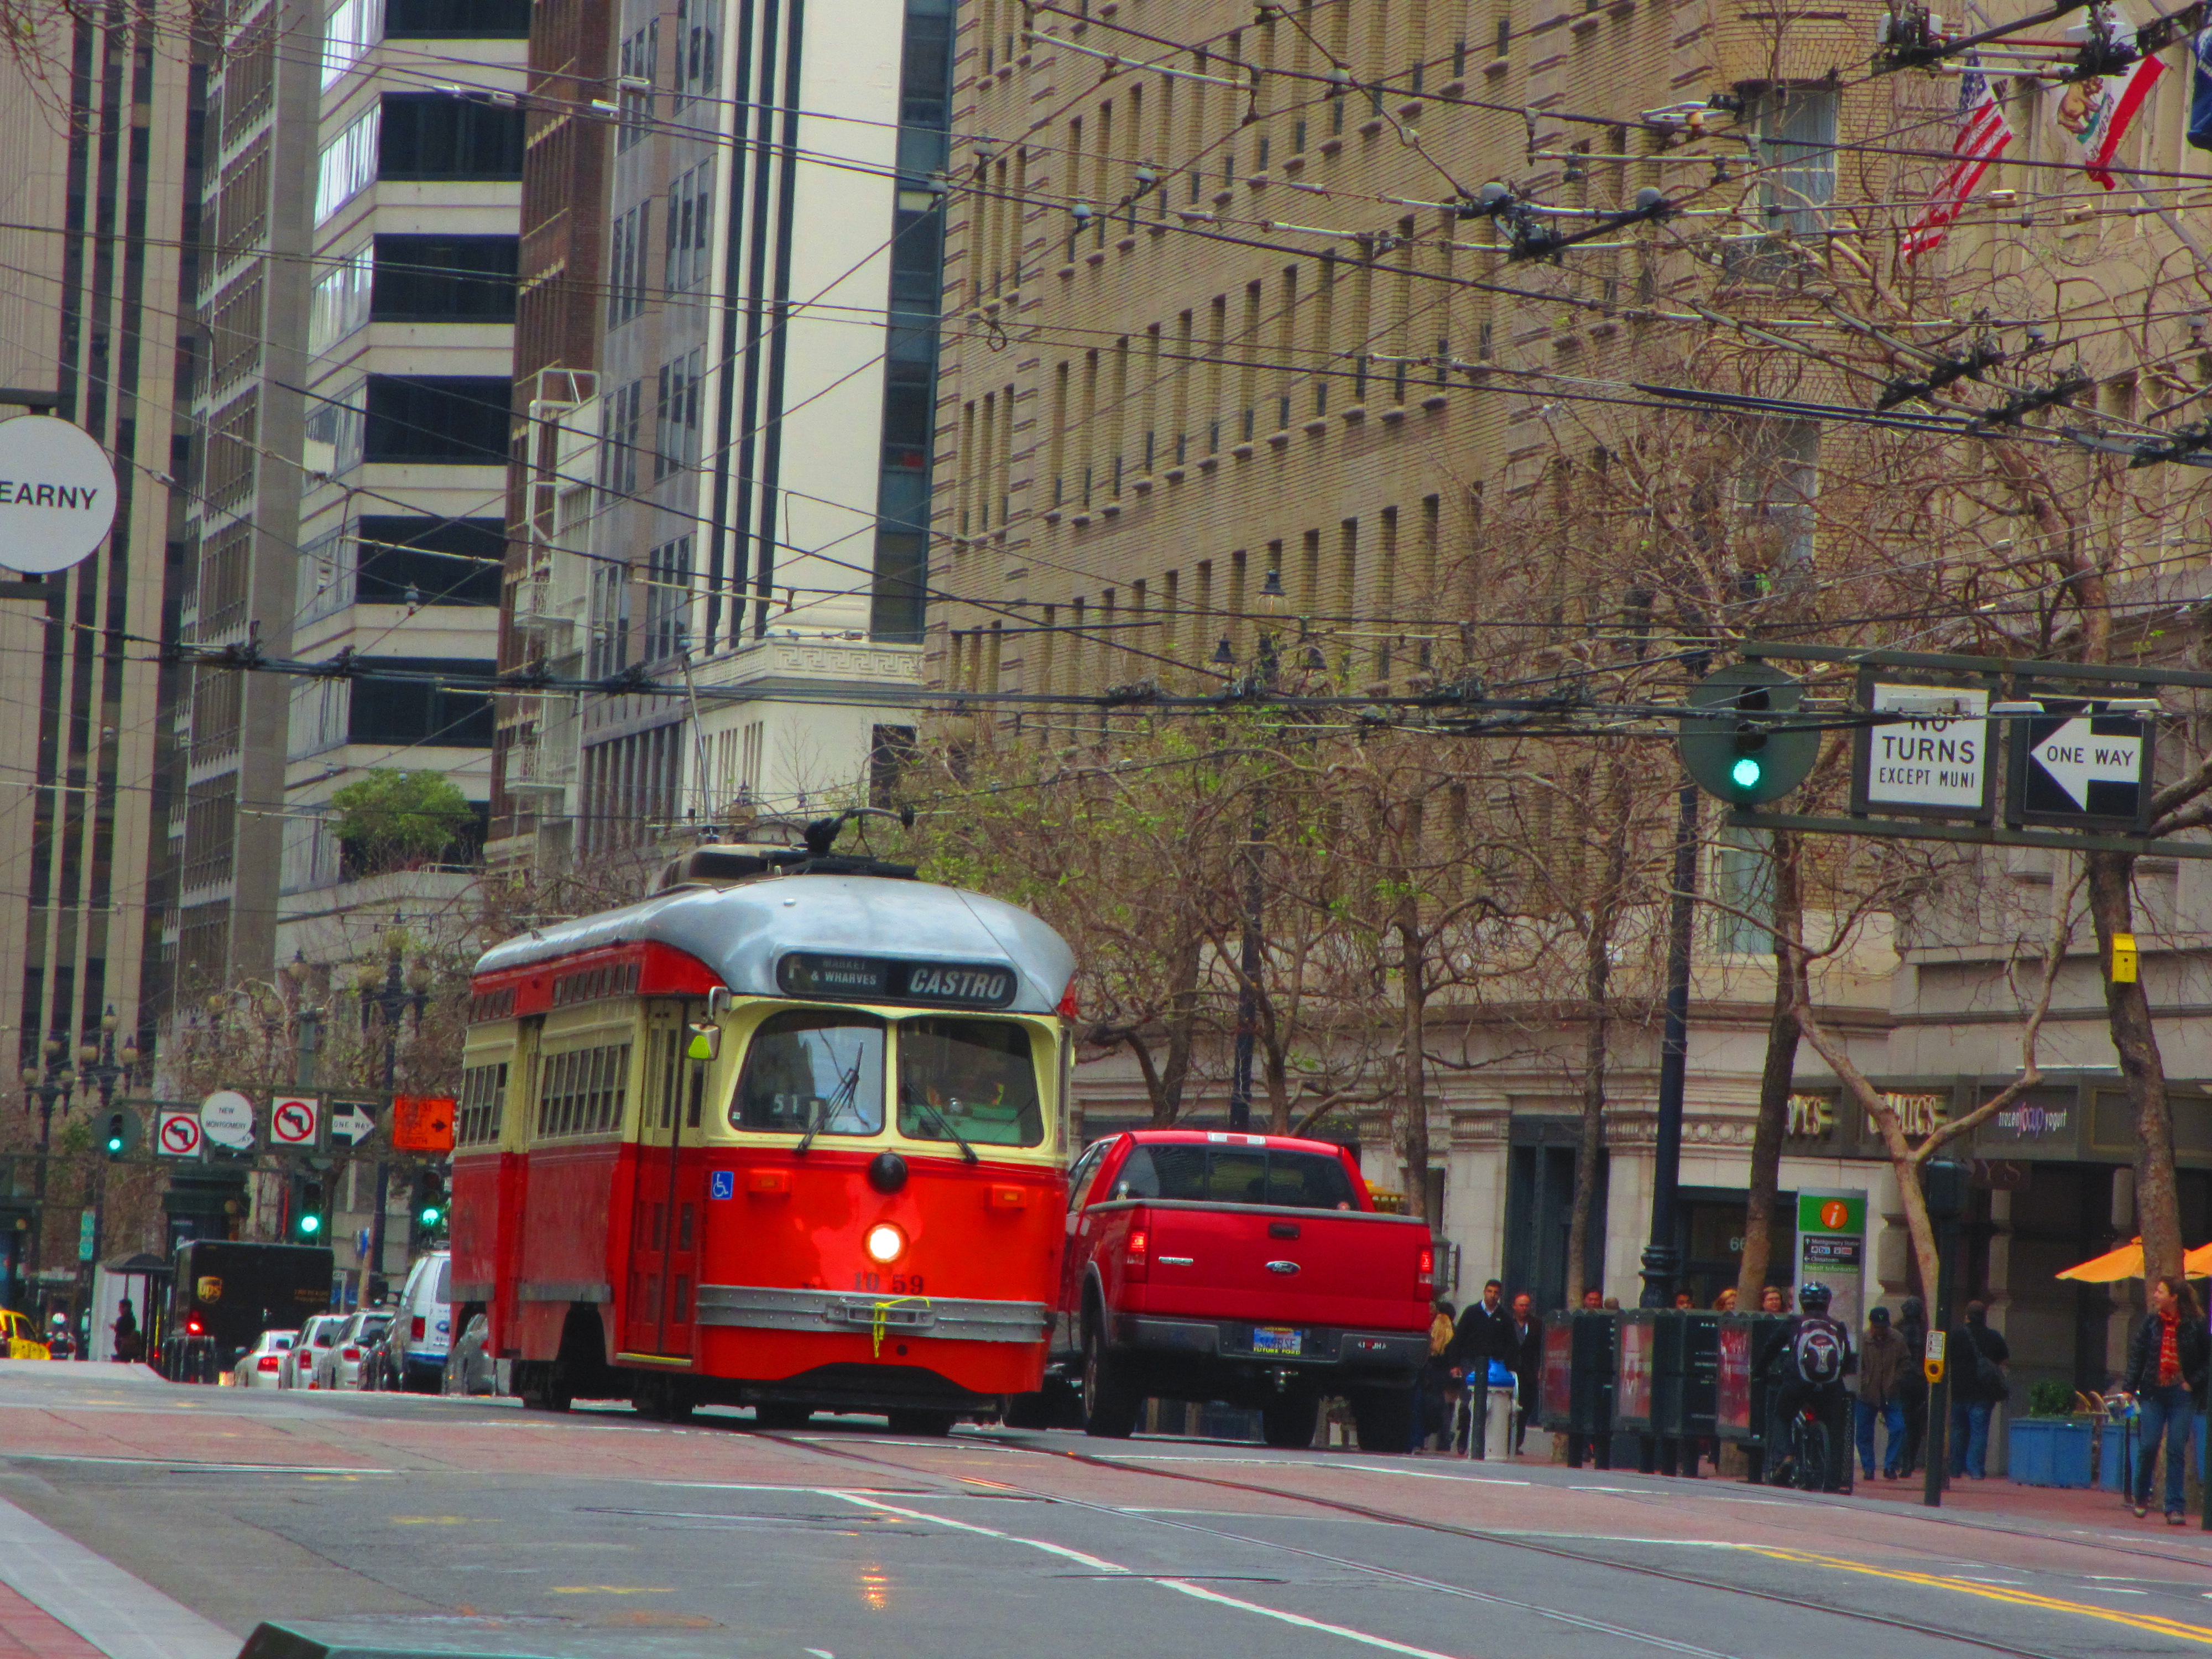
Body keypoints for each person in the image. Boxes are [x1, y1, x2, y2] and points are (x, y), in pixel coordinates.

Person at [2124, 1274, 2209, 1524]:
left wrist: (2192, 1383)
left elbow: (2208, 1359)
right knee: (2149, 1445)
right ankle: (2141, 1497)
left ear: (2174, 1297)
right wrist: (2129, 1388)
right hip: (2153, 1392)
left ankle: (2174, 1507)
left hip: (2182, 1395)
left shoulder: (2195, 1324)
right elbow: (2138, 1355)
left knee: (2176, 1448)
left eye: (2160, 1292)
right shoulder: (2152, 1323)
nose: (2155, 1295)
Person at [1756, 1282, 1854, 1489]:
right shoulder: (1837, 1326)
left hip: (1797, 1383)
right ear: (1828, 1303)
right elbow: (1847, 1360)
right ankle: (1832, 1475)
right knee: (1833, 1425)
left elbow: (1771, 1347)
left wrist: (1759, 1370)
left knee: (1782, 1415)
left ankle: (1786, 1457)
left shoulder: (1795, 1323)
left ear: (1802, 1302)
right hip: (1830, 1387)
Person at [1948, 1301, 2010, 1480]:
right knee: (1979, 1432)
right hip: (1983, 1393)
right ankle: (1975, 1470)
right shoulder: (1994, 1336)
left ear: (1967, 1316)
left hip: (1959, 1391)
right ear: (1985, 1317)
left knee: (1958, 1430)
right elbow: (2004, 1360)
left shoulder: (1956, 1336)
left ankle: (1955, 1468)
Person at [1447, 1280, 1510, 1453]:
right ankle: (1464, 1434)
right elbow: (1458, 1339)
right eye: (1490, 1291)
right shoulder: (1471, 1312)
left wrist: (1507, 1365)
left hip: (1493, 1365)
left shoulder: (1504, 1316)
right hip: (1470, 1362)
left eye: (1496, 1292)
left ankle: (1483, 1439)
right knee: (1467, 1401)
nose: (1492, 1295)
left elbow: (1510, 1343)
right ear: (1484, 1292)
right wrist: (1455, 1364)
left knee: (1490, 1403)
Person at [1855, 1307, 1908, 1481]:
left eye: (1884, 1327)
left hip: (1890, 1392)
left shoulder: (1897, 1339)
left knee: (1899, 1428)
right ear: (1872, 1325)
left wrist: (1897, 1379)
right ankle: (1868, 1468)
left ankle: (1890, 1466)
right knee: (1864, 1433)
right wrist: (1864, 1382)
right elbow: (1858, 1365)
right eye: (1877, 1327)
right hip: (1867, 1394)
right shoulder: (1863, 1340)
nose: (1881, 1330)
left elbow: (1905, 1361)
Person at [1413, 1297, 1455, 1453]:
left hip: (1435, 1374)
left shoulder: (1441, 1328)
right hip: (1430, 1374)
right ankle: (1437, 1439)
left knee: (1437, 1406)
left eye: (1432, 1310)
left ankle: (1440, 1438)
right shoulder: (1425, 1327)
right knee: (1437, 1406)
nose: (1429, 1313)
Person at [1895, 1296, 1929, 1477]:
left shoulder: (1897, 1330)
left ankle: (1902, 1460)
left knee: (1903, 1421)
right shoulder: (1926, 1330)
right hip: (1921, 1379)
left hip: (1903, 1379)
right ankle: (1910, 1460)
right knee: (1915, 1423)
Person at [1505, 1291, 1542, 1453]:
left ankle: (1517, 1443)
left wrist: (1540, 1368)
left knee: (1524, 1409)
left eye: (1527, 1305)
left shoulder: (1537, 1324)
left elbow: (1541, 1348)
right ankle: (1505, 1441)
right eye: (1521, 1305)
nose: (1524, 1308)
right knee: (1507, 1408)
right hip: (1509, 1370)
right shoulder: (1507, 1323)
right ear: (1514, 1306)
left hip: (1528, 1373)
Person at [111, 1298, 140, 1364]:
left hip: (125, 1349)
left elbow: (123, 1331)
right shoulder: (132, 1319)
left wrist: (116, 1328)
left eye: (121, 1307)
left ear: (126, 1308)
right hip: (124, 1349)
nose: (119, 1310)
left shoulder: (125, 1319)